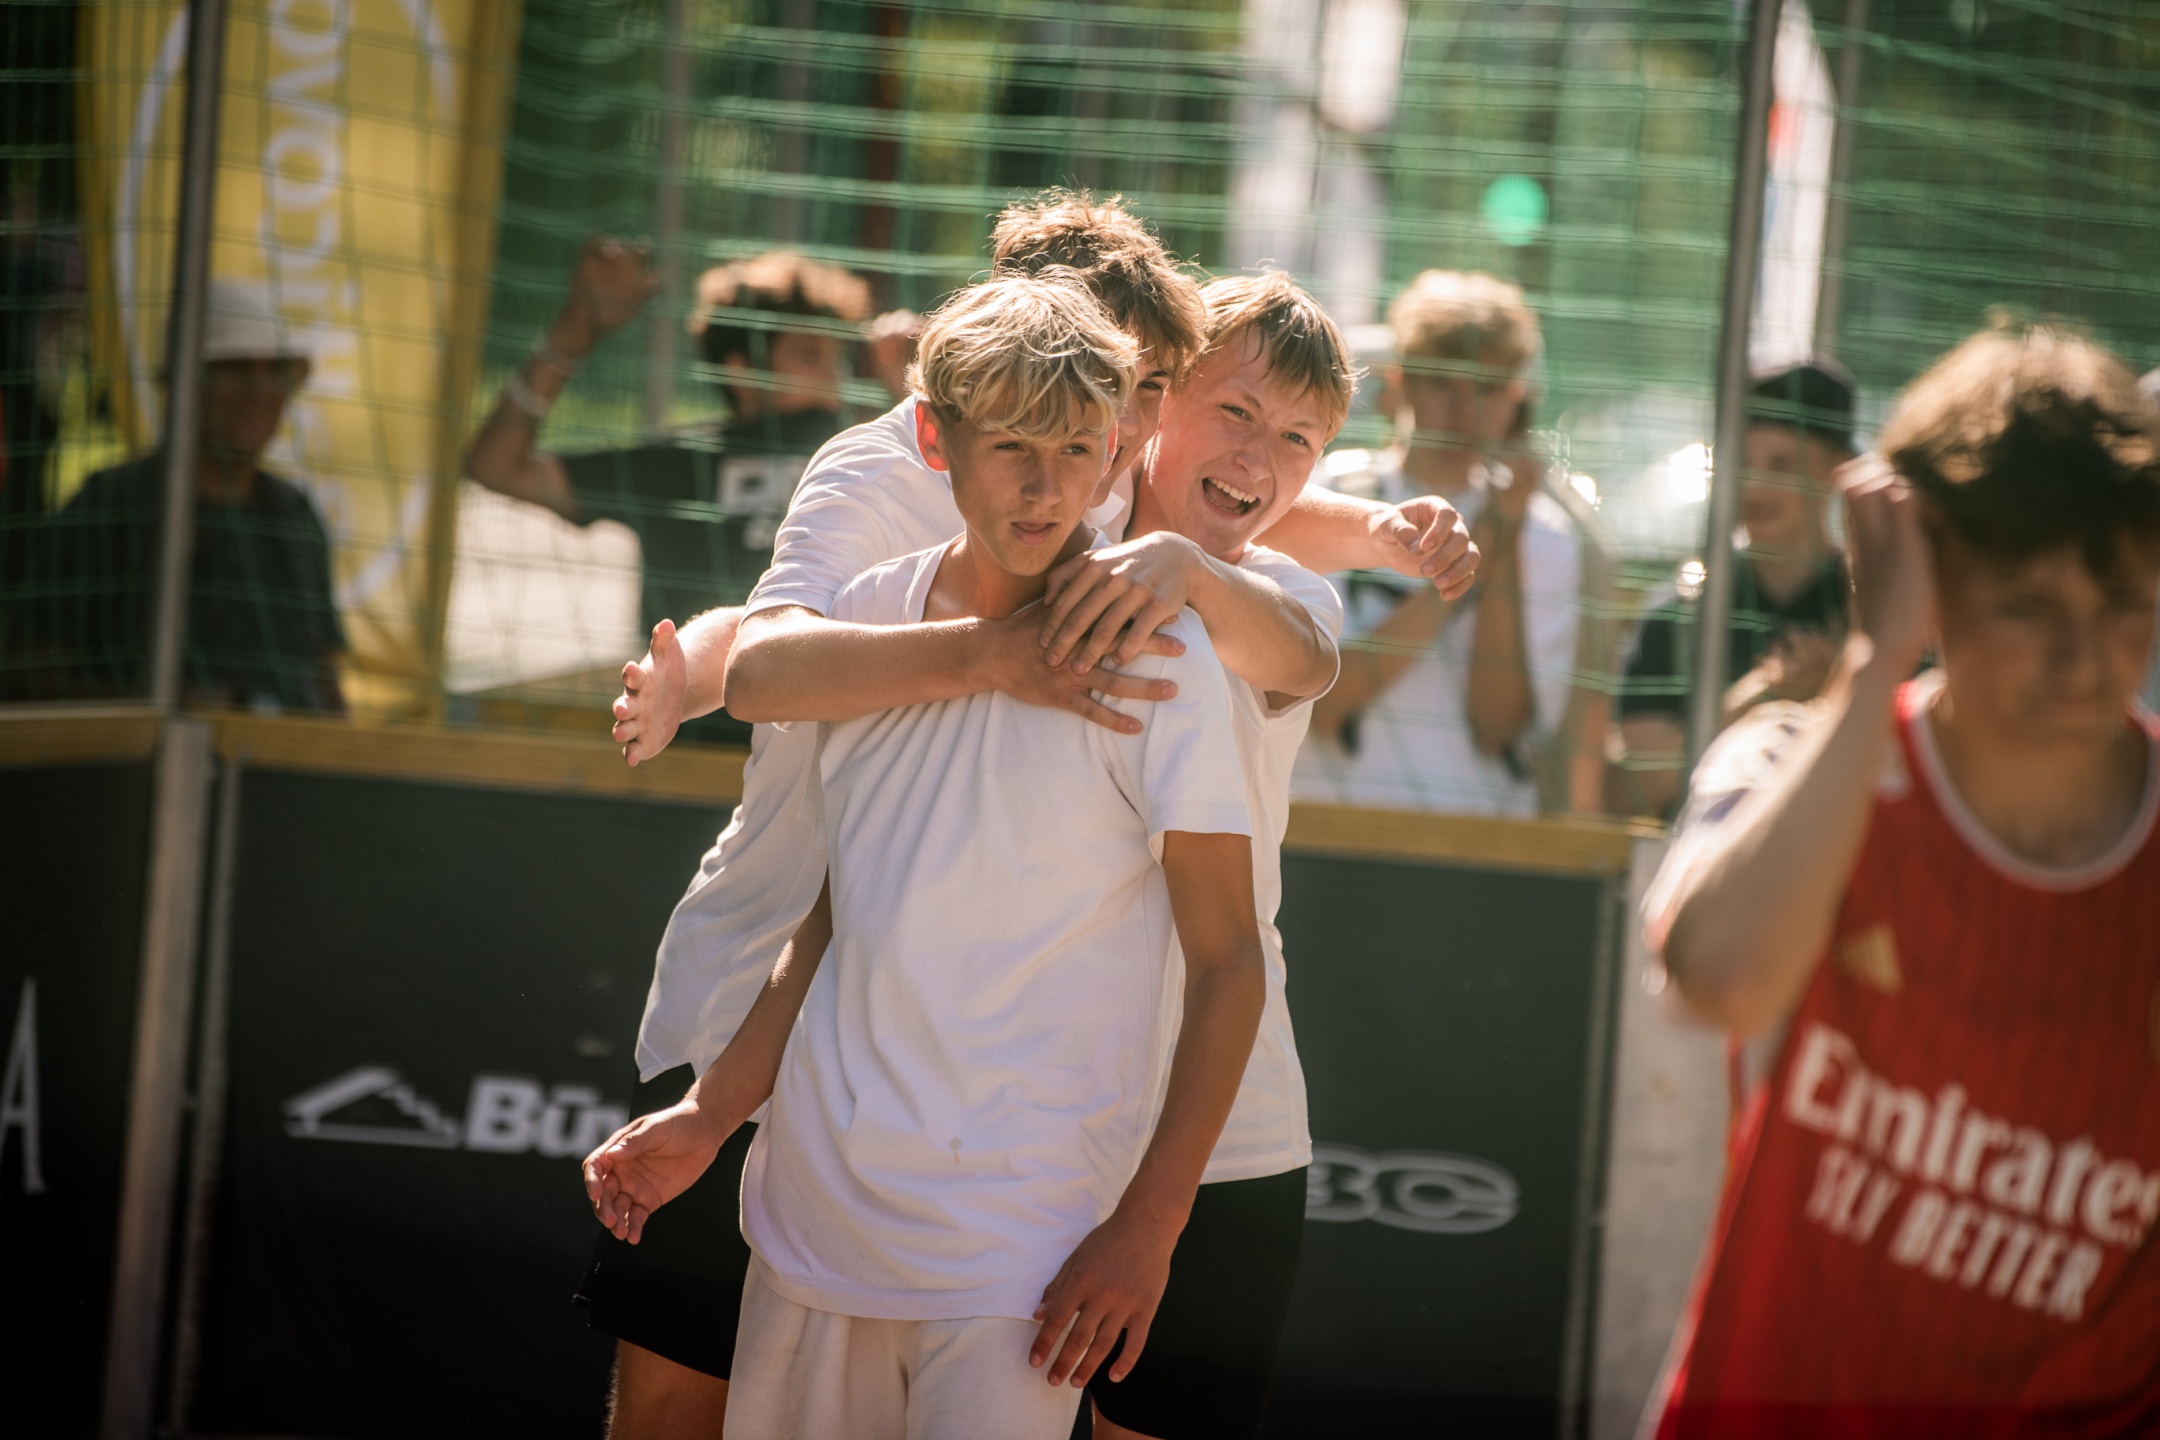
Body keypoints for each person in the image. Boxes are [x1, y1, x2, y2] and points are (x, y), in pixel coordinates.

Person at [574, 191, 1473, 1440]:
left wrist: (1353, 533)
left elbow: (1271, 589)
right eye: (1039, 413)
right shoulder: (903, 499)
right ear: (950, 421)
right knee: (674, 1412)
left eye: (1127, 395)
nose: (1087, 431)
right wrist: (736, 670)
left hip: (1059, 1181)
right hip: (785, 1079)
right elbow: (782, 691)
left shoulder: (1158, 596)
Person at [598, 273, 1267, 1437]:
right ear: (932, 437)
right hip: (809, 1226)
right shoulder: (863, 618)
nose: (1045, 485)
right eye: (1011, 445)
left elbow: (1229, 963)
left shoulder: (1164, 657)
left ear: (1117, 451)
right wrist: (710, 1114)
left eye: (1075, 447)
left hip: (1022, 1261)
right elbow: (834, 920)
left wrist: (1150, 1226)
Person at [1642, 324, 2160, 1435]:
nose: (2085, 659)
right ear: (1919, 566)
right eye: (2027, 605)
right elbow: (1724, 978)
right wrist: (1876, 655)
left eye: (2123, 600)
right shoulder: (1798, 768)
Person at [461, 242, 884, 741]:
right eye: (810, 357)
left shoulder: (863, 451)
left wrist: (905, 385)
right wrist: (577, 330)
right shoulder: (683, 463)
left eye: (838, 360)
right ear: (741, 371)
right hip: (691, 740)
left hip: (823, 738)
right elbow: (496, 466)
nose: (833, 378)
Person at [1293, 269, 1587, 816]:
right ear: (1399, 381)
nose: (1465, 409)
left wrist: (1499, 537)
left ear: (1517, 399)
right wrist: (1456, 569)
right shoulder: (1328, 495)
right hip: (1323, 824)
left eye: (1488, 389)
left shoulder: (1545, 534)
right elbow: (1324, 704)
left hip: (1473, 835)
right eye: (1443, 383)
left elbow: (1497, 729)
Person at [4, 278, 344, 711]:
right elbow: (23, 672)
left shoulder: (293, 516)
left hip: (277, 755)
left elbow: (326, 677)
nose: (259, 390)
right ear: (181, 380)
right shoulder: (112, 503)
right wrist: (160, 713)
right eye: (236, 367)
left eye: (275, 370)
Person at [1613, 360, 1860, 817]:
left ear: (1838, 470)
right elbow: (1635, 792)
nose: (1756, 486)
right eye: (1742, 463)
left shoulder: (1873, 611)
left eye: (1783, 465)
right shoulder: (1679, 615)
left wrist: (1843, 686)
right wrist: (1761, 696)